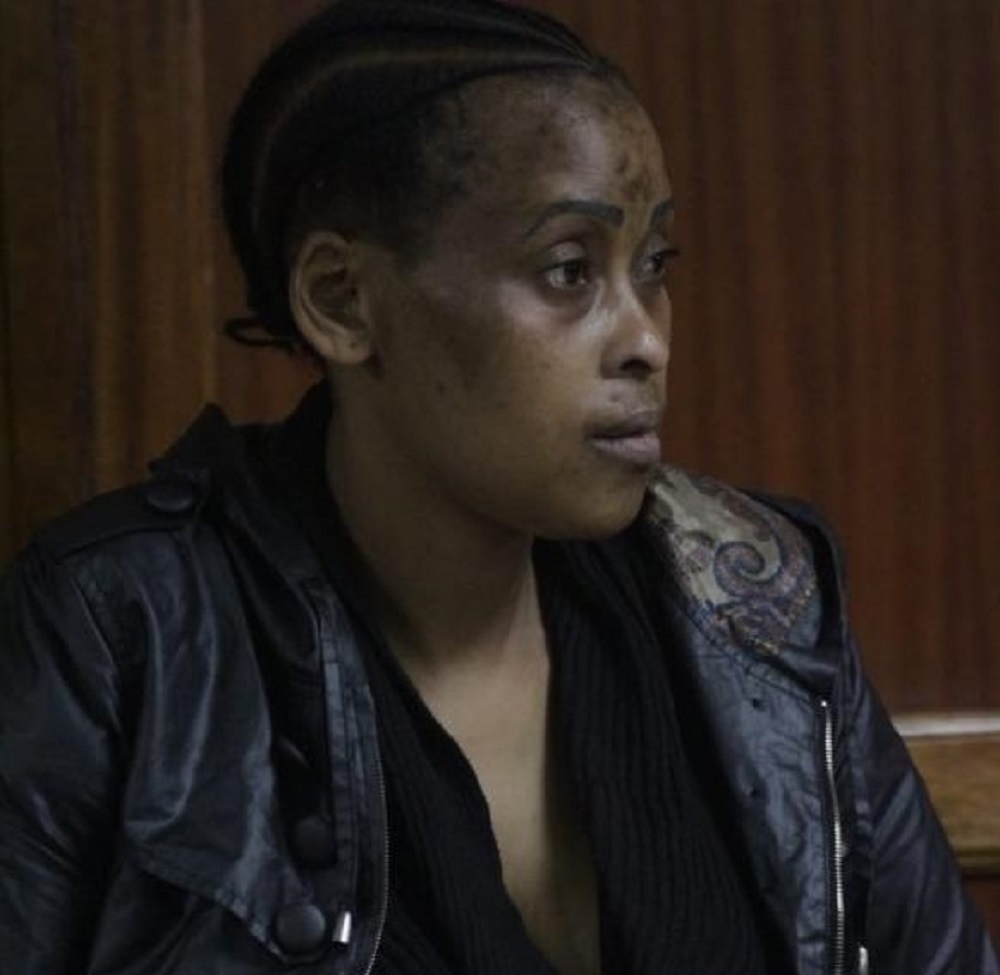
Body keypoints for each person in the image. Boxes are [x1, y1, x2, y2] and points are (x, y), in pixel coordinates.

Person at [0, 0, 996, 972]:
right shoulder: (121, 632)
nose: (647, 339)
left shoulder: (760, 600)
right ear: (342, 300)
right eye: (568, 269)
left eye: (653, 263)